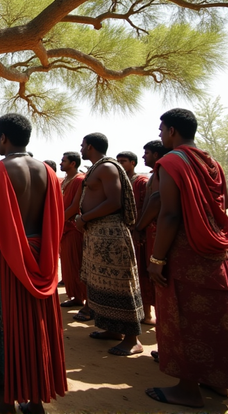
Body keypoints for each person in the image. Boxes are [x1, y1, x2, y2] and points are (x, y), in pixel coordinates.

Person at [0, 114, 67, 414]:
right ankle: (35, 402)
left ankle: (5, 404)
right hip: (41, 257)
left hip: (7, 261)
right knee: (37, 327)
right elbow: (56, 219)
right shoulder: (49, 173)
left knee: (3, 326)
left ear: (4, 138)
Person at [145, 108, 228, 408]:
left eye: (162, 129)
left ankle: (187, 389)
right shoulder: (212, 163)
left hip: (185, 252)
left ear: (172, 130)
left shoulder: (172, 161)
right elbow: (223, 204)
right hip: (213, 252)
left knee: (183, 316)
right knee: (213, 315)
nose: (161, 135)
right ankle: (218, 381)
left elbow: (170, 212)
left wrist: (157, 258)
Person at [74, 132, 144, 356]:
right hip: (97, 234)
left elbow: (113, 202)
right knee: (100, 283)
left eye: (83, 145)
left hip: (111, 234)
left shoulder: (107, 168)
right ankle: (113, 330)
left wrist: (84, 218)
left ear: (91, 147)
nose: (81, 148)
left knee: (119, 285)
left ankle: (133, 340)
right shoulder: (97, 168)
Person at [117, 150, 155, 325]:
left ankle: (146, 314)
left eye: (123, 161)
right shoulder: (120, 182)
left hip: (141, 235)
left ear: (133, 163)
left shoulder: (142, 182)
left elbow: (147, 207)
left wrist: (138, 227)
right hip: (125, 233)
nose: (120, 164)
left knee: (142, 274)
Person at [134, 140, 169, 327]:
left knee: (158, 276)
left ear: (156, 154)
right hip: (150, 231)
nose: (143, 157)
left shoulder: (163, 172)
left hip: (157, 232)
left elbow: (155, 201)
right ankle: (147, 314)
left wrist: (139, 226)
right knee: (145, 274)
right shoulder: (154, 174)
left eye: (146, 153)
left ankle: (162, 322)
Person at [58, 151, 88, 313]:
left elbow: (75, 206)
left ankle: (83, 298)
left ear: (73, 164)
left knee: (76, 263)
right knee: (68, 264)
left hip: (73, 227)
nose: (60, 163)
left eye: (63, 161)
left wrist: (59, 220)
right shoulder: (65, 181)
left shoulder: (79, 180)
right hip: (64, 226)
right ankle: (75, 297)